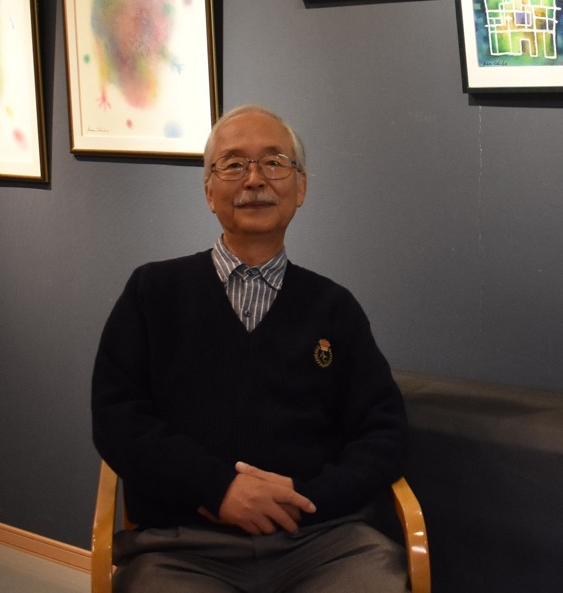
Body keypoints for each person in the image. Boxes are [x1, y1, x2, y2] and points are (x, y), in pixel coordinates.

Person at [91, 104, 408, 592]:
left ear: (300, 188)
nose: (255, 179)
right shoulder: (152, 292)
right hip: (183, 548)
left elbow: (383, 433)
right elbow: (117, 420)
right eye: (234, 164)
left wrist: (306, 500)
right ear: (208, 190)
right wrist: (218, 489)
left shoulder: (334, 308)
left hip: (320, 541)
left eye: (274, 162)